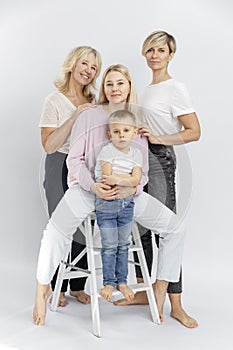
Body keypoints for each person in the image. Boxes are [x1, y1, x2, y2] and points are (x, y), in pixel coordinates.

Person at [33, 63, 186, 326]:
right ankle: (41, 291)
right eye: (109, 83)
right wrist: (93, 186)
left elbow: (143, 172)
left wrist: (132, 187)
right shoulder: (89, 117)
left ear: (129, 87)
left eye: (120, 83)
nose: (115, 88)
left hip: (127, 196)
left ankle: (160, 288)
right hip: (88, 191)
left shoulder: (137, 122)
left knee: (176, 228)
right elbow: (75, 160)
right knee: (55, 230)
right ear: (104, 88)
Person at [114, 30, 201, 328]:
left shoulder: (176, 88)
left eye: (160, 50)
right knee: (141, 228)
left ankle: (176, 302)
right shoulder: (144, 90)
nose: (154, 55)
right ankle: (147, 289)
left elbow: (194, 131)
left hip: (161, 160)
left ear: (170, 55)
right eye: (150, 50)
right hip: (138, 162)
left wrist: (159, 137)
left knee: (168, 231)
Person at [39, 46, 102, 307]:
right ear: (73, 64)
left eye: (94, 68)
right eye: (85, 64)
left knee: (87, 226)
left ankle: (77, 286)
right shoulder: (54, 100)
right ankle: (57, 286)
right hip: (59, 164)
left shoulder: (94, 101)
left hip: (85, 166)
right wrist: (76, 115)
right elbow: (49, 145)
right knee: (63, 225)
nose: (88, 71)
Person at [95, 109, 142, 302]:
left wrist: (122, 179)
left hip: (127, 204)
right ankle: (108, 282)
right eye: (116, 132)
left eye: (125, 130)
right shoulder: (106, 151)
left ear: (134, 132)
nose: (121, 135)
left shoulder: (137, 153)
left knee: (123, 244)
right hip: (107, 202)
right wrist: (127, 179)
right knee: (109, 245)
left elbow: (137, 179)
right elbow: (108, 179)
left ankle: (122, 281)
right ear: (109, 134)